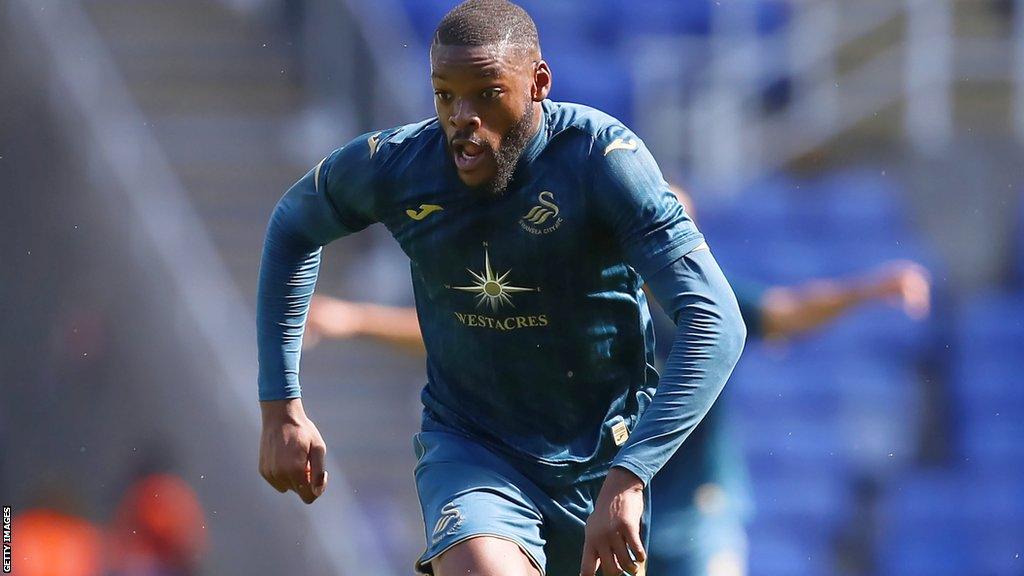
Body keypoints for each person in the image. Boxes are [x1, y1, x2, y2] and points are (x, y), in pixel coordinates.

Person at [255, 1, 747, 575]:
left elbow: (718, 321)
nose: (462, 117)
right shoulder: (398, 166)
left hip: (602, 463)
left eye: (486, 93)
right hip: (472, 449)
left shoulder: (601, 160)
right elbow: (292, 225)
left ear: (538, 82)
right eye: (444, 95)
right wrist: (280, 406)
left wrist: (632, 475)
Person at [305, 187, 932, 576]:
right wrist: (356, 318)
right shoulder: (583, 293)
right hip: (598, 516)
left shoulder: (706, 301)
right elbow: (464, 328)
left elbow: (790, 311)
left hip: (690, 520)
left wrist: (869, 289)